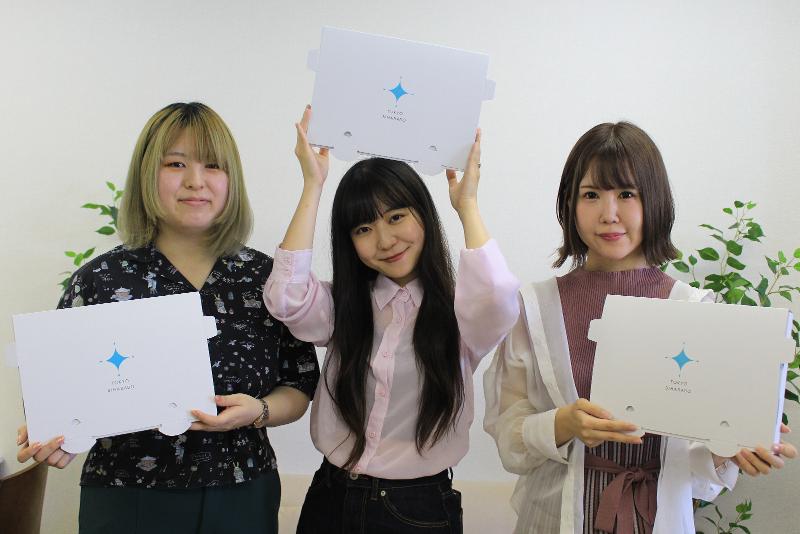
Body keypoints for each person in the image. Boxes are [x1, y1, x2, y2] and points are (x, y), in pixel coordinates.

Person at [16, 102, 320, 534]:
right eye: (176, 164)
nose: (196, 181)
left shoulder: (267, 280)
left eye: (213, 165)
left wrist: (259, 410)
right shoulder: (100, 280)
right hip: (126, 498)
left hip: (242, 494)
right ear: (147, 174)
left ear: (231, 179)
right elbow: (60, 391)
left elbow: (299, 383)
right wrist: (54, 434)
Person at [483, 121, 797, 534]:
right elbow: (509, 431)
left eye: (627, 194)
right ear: (570, 204)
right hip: (553, 519)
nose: (608, 213)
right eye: (591, 195)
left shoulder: (694, 308)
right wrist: (563, 423)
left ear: (655, 201)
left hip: (659, 519)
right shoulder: (535, 306)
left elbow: (696, 454)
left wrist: (732, 449)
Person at [263, 106, 519, 533]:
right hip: (330, 497)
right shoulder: (344, 306)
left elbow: (499, 297)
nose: (384, 240)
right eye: (363, 229)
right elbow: (285, 297)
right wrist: (312, 184)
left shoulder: (463, 313)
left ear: (423, 216)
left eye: (396, 217)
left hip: (417, 509)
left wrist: (467, 206)